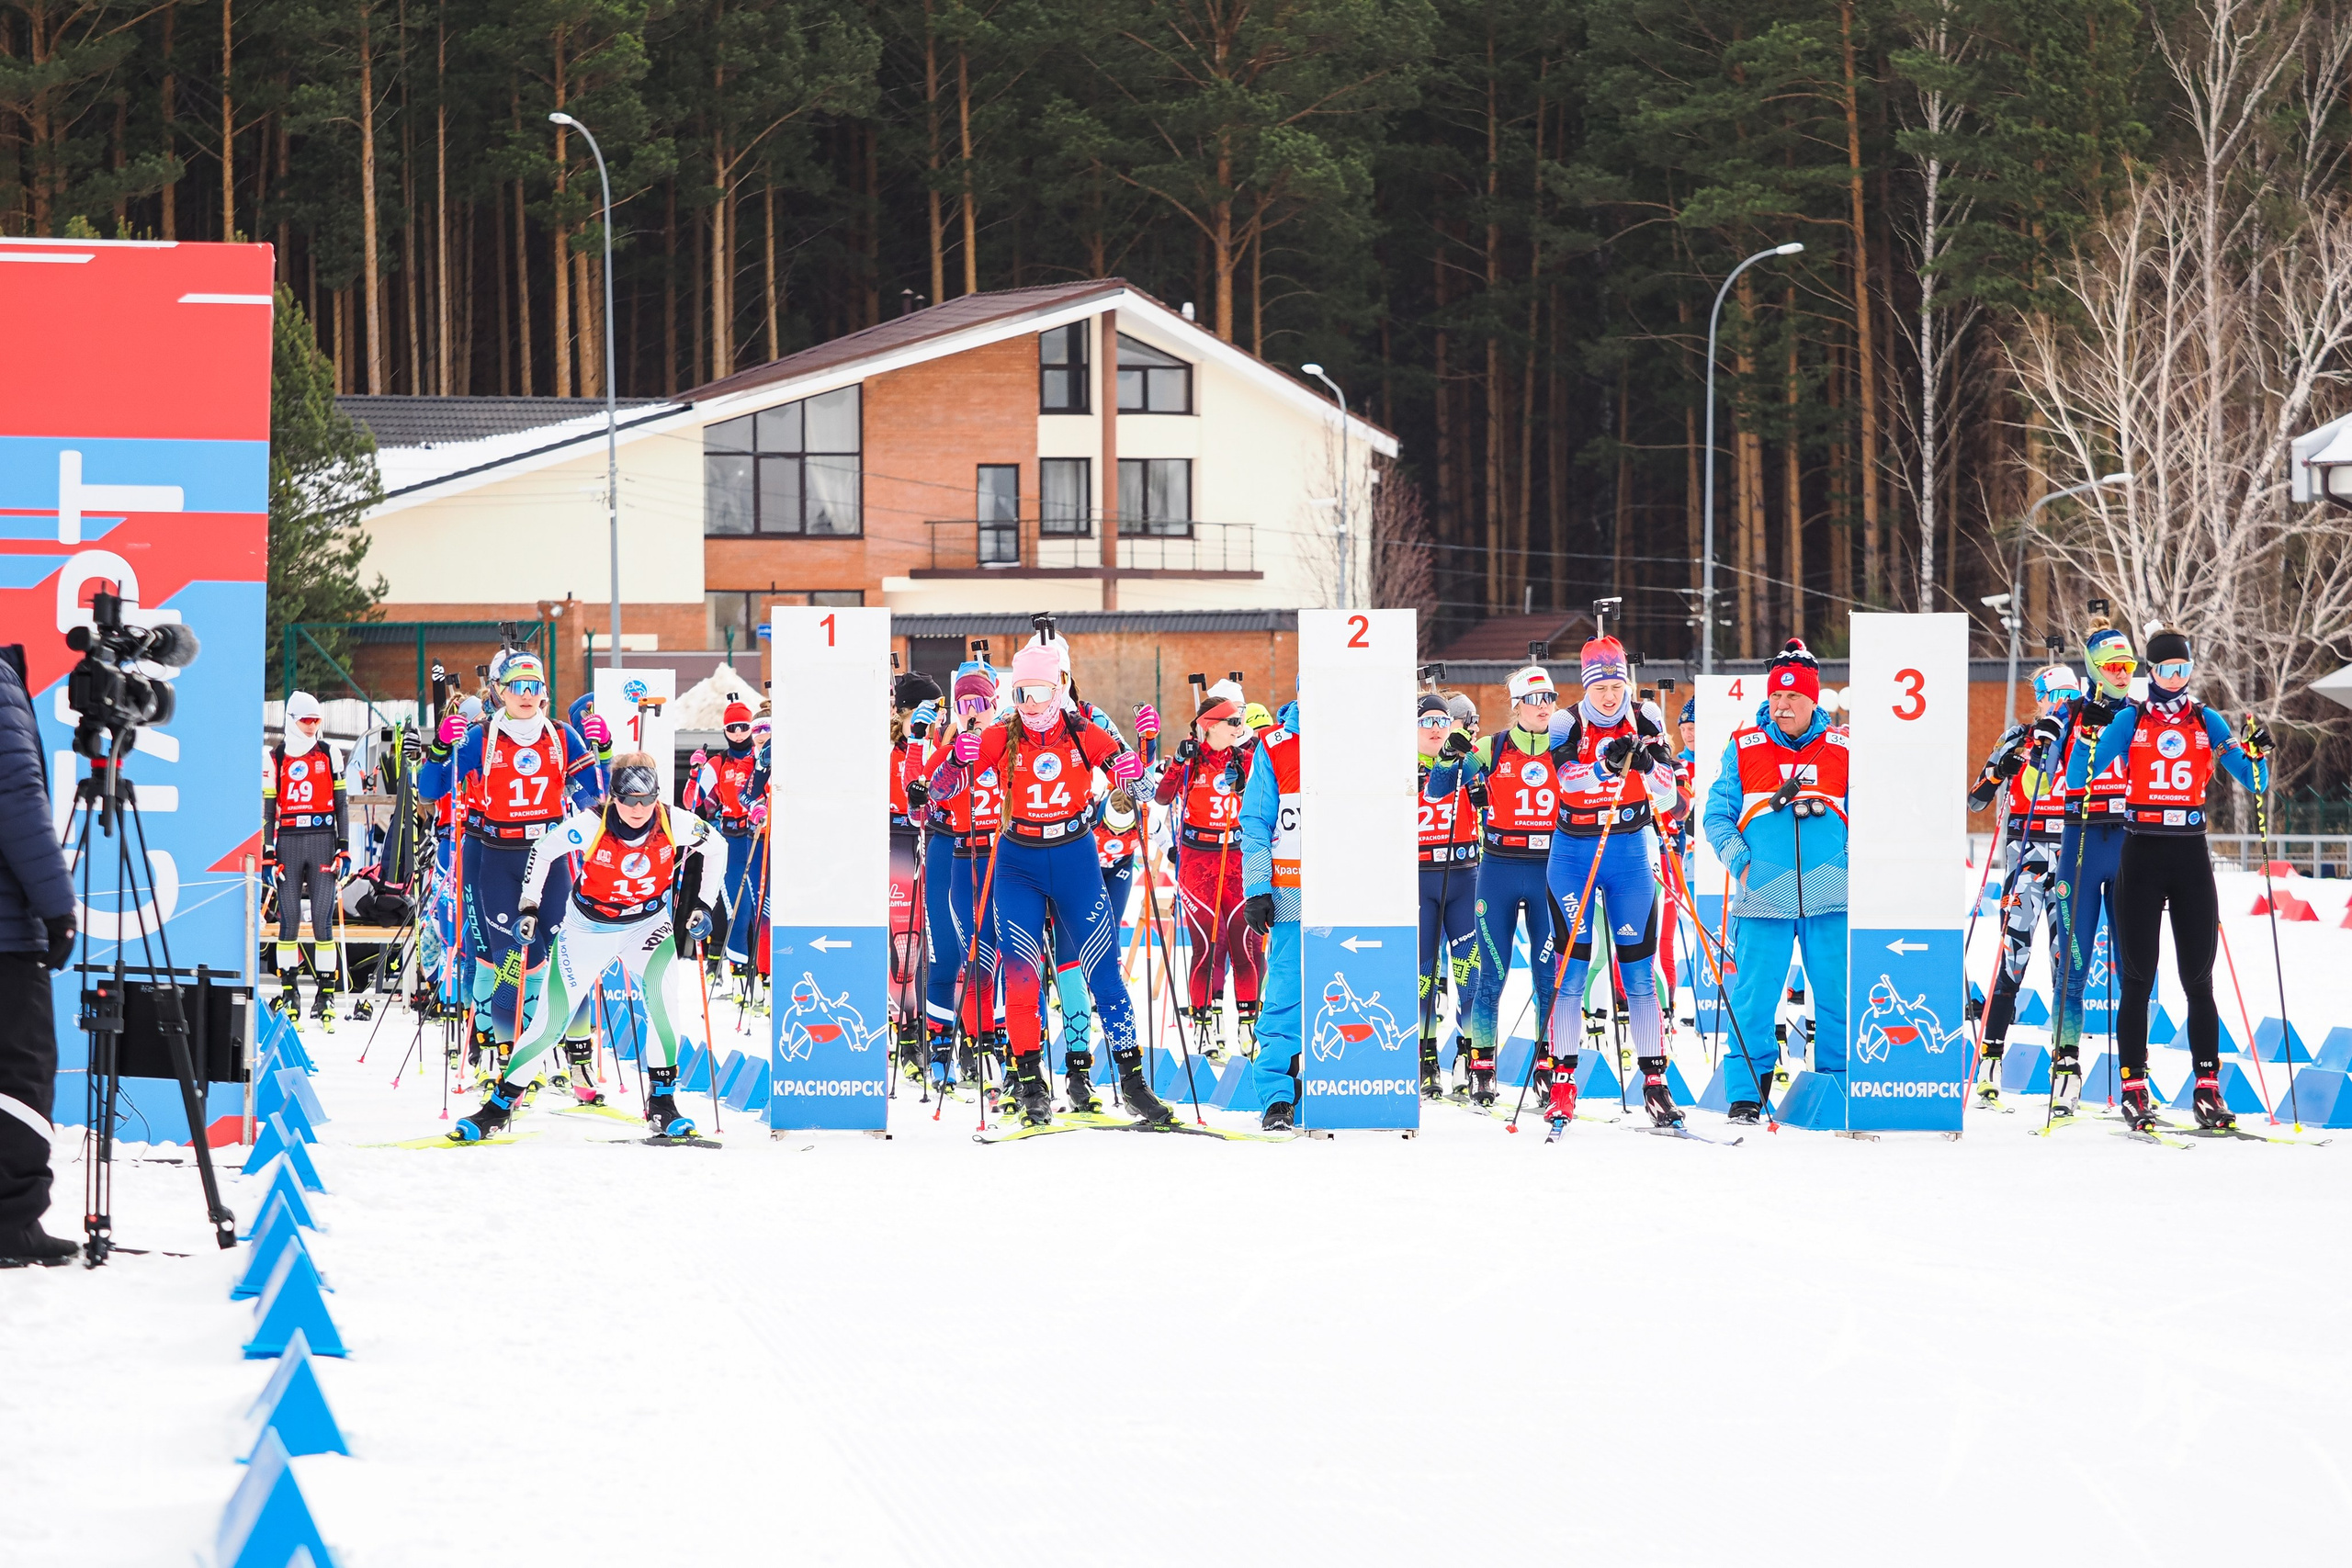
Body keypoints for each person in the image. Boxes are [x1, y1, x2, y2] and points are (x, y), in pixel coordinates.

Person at [924, 644, 1164, 1126]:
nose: (1030, 705)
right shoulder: (1000, 735)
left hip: (1076, 859)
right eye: (1020, 694)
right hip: (1019, 863)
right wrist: (955, 760)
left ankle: (1134, 1083)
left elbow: (1143, 793)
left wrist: (1142, 756)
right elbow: (940, 793)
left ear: (1058, 690)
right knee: (1021, 974)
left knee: (1105, 973)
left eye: (1038, 692)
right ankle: (1030, 1083)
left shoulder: (1084, 733)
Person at [451, 754, 722, 1142]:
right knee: (551, 1022)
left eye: (647, 799)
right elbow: (544, 849)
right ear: (614, 797)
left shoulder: (673, 821)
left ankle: (663, 1105)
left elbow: (718, 847)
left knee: (664, 1006)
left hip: (646, 926)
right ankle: (498, 1108)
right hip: (589, 929)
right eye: (629, 800)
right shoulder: (591, 824)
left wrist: (704, 905)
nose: (639, 809)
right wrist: (529, 905)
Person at [2084, 626, 2268, 1132]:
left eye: (2183, 668)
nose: (2175, 677)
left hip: (2189, 854)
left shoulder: (2206, 719)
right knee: (2138, 979)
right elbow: (2083, 775)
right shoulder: (2131, 719)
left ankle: (2207, 1088)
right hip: (2141, 852)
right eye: (2166, 669)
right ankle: (2134, 1087)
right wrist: (2086, 740)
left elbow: (2254, 782)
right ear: (2151, 671)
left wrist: (2258, 754)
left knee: (2199, 980)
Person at [418, 652, 601, 1072]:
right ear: (499, 691)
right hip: (499, 859)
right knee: (511, 964)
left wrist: (604, 752)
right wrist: (441, 748)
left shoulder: (562, 735)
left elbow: (596, 799)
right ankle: (509, 1061)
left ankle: (579, 1062)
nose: (527, 694)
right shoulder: (482, 737)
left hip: (550, 859)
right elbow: (431, 790)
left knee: (567, 959)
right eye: (517, 686)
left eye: (535, 686)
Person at [1702, 639, 1849, 1124]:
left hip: (1831, 896)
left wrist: (1850, 862)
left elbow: (1869, 816)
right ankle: (1747, 1094)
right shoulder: (1743, 745)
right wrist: (1742, 863)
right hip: (1763, 897)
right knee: (1754, 1000)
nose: (1782, 705)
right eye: (1776, 696)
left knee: (1836, 997)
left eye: (1793, 697)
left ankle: (1837, 1084)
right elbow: (1716, 815)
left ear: (1813, 700)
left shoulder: (1843, 749)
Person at [1541, 637, 1679, 1131]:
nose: (1608, 696)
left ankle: (1655, 1085)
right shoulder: (1566, 721)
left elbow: (1668, 795)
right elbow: (1566, 781)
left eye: (1616, 685)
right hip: (1574, 855)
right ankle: (1562, 1083)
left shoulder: (1646, 717)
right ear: (1586, 686)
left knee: (1638, 973)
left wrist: (1648, 765)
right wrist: (1603, 765)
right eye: (1600, 687)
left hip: (1628, 852)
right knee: (1571, 972)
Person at [1421, 664, 1563, 1105]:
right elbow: (1438, 790)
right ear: (1517, 705)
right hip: (1498, 869)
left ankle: (1548, 1066)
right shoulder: (1493, 746)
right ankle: (1482, 1067)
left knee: (1548, 977)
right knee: (1490, 975)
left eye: (1550, 698)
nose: (1544, 706)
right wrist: (1450, 757)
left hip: (1549, 870)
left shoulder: (1565, 744)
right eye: (1534, 699)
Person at [1963, 663, 2078, 1105]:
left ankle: (2065, 1066)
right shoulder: (2020, 736)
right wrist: (2000, 772)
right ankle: (1990, 1060)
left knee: (2065, 963)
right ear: (2041, 700)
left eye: (2070, 697)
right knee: (2014, 957)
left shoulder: (2085, 739)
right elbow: (1976, 800)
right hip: (2026, 854)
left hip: (2070, 854)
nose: (2062, 705)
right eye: (2055, 697)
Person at [0, 646, 79, 1265]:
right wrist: (57, 907)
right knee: (21, 1076)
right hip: (5, 936)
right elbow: (18, 802)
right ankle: (11, 1222)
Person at [2050, 620, 2138, 1108]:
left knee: (2132, 968)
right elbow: (2049, 777)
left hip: (2127, 843)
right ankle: (2066, 1066)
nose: (2122, 674)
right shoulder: (2069, 712)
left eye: (2128, 665)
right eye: (2112, 666)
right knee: (2073, 964)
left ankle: (2134, 1075)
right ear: (2093, 668)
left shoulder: (2142, 715)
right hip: (2080, 841)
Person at [1154, 691, 1262, 1062]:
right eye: (1232, 721)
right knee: (1206, 948)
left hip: (1237, 860)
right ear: (1209, 725)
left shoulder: (1246, 757)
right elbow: (1163, 798)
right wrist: (1176, 764)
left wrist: (1244, 783)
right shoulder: (1191, 758)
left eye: (1240, 721)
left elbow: (1265, 799)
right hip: (1198, 863)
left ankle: (1248, 1028)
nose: (1239, 727)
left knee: (1244, 947)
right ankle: (1204, 1027)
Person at [263, 692, 351, 1027]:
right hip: (288, 842)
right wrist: (268, 854)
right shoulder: (276, 756)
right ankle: (290, 993)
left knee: (321, 922)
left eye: (316, 720)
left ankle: (325, 995)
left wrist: (344, 847)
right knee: (288, 922)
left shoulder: (329, 753)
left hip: (322, 842)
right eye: (306, 720)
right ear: (292, 720)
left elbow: (341, 804)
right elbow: (269, 809)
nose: (312, 726)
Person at [1240, 701, 1303, 1129]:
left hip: (1353, 894)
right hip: (1294, 891)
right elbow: (1256, 821)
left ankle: (1352, 1084)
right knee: (1285, 991)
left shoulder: (1361, 736)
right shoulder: (1276, 744)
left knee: (1355, 987)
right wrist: (1258, 887)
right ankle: (1278, 1095)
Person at [1415, 693, 1479, 1097]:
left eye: (1443, 720)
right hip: (1420, 878)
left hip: (1464, 875)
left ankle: (1467, 1057)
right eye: (1427, 721)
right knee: (1423, 974)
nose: (1437, 728)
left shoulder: (1466, 760)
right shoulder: (1399, 765)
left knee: (1468, 972)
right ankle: (1425, 1059)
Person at [684, 701, 770, 998]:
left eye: (743, 727)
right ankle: (739, 978)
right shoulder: (719, 763)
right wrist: (695, 773)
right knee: (738, 908)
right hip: (732, 837)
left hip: (761, 836)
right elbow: (691, 802)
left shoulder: (763, 758)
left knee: (763, 909)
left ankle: (765, 977)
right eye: (732, 728)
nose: (738, 733)